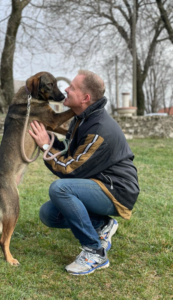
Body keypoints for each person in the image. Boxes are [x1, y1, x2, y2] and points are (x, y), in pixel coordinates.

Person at [28, 70, 139, 276]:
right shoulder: (82, 119)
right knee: (49, 214)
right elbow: (71, 152)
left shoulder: (99, 129)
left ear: (86, 98)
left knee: (60, 189)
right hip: (98, 182)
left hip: (117, 190)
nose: (66, 89)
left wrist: (45, 146)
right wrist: (49, 139)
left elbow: (71, 171)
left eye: (73, 87)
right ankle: (103, 224)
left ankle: (95, 253)